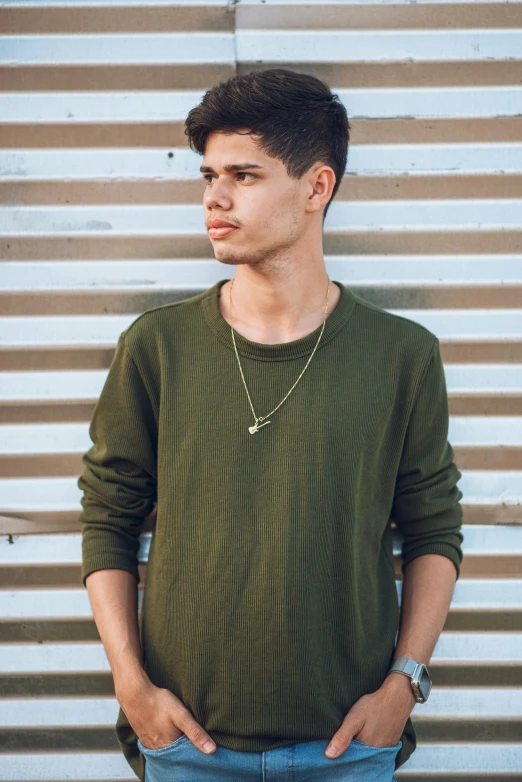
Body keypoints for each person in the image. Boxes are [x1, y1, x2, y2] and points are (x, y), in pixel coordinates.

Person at [78, 68, 464, 782]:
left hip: (348, 748)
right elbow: (108, 518)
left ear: (317, 188)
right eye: (208, 175)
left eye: (244, 176)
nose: (214, 199)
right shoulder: (157, 347)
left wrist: (403, 685)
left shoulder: (402, 356)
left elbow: (433, 527)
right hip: (186, 746)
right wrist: (132, 686)